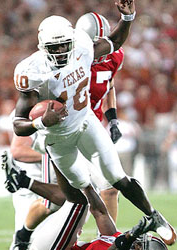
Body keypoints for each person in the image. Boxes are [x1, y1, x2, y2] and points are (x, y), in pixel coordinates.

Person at [11, 0, 176, 246]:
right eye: (54, 48)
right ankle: (108, 240)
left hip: (87, 123)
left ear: (73, 41)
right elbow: (18, 123)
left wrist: (127, 19)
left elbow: (114, 42)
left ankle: (155, 216)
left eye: (64, 45)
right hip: (57, 138)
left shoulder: (83, 48)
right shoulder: (32, 71)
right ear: (42, 47)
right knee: (84, 192)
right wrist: (40, 124)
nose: (60, 52)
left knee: (116, 177)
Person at [3, 156, 168, 250]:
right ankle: (23, 180)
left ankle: (53, 151)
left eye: (141, 244)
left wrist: (130, 237)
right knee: (80, 196)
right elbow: (100, 212)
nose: (139, 241)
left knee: (79, 204)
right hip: (55, 244)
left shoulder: (122, 243)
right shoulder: (117, 238)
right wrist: (87, 185)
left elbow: (115, 248)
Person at [75, 12, 124, 222]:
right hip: (66, 131)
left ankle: (108, 240)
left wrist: (112, 118)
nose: (101, 51)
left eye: (103, 44)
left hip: (92, 129)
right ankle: (25, 234)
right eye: (96, 45)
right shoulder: (71, 60)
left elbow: (109, 85)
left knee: (111, 186)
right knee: (62, 200)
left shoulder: (115, 56)